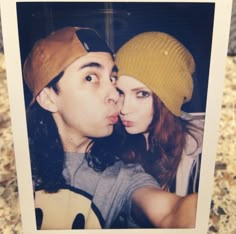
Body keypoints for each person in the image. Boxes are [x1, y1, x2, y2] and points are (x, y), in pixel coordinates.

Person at [24, 26, 197, 230]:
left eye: (112, 78)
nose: (116, 96)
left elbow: (172, 212)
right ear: (48, 98)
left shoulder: (122, 177)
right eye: (90, 77)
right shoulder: (16, 161)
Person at [115, 32, 204, 199]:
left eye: (142, 94)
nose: (124, 109)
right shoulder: (114, 143)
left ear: (169, 99)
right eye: (120, 92)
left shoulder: (200, 158)